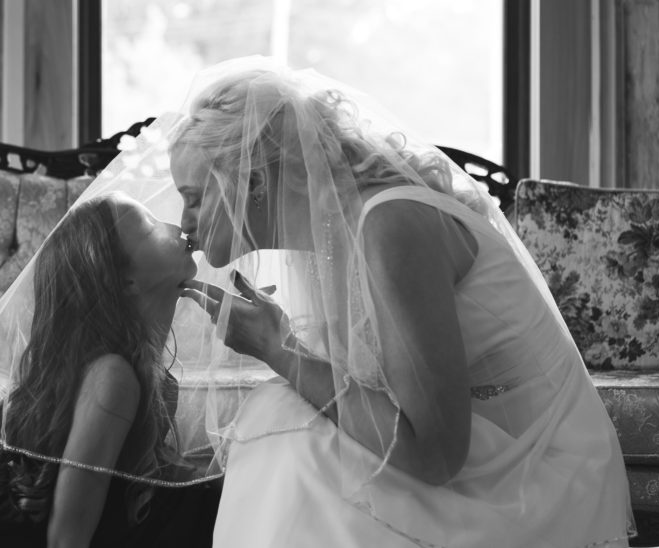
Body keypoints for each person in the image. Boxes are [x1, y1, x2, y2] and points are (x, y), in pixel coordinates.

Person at [164, 57, 634, 547]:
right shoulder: (327, 231)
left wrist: (278, 348)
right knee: (283, 414)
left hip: (533, 479)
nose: (184, 221)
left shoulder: (388, 227)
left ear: (255, 184)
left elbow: (435, 455)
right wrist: (282, 346)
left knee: (284, 418)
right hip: (482, 455)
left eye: (194, 197)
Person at [0, 193, 221, 548]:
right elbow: (66, 536)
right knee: (203, 504)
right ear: (125, 281)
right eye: (150, 226)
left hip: (93, 519)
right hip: (21, 536)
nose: (174, 225)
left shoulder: (131, 364)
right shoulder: (113, 376)